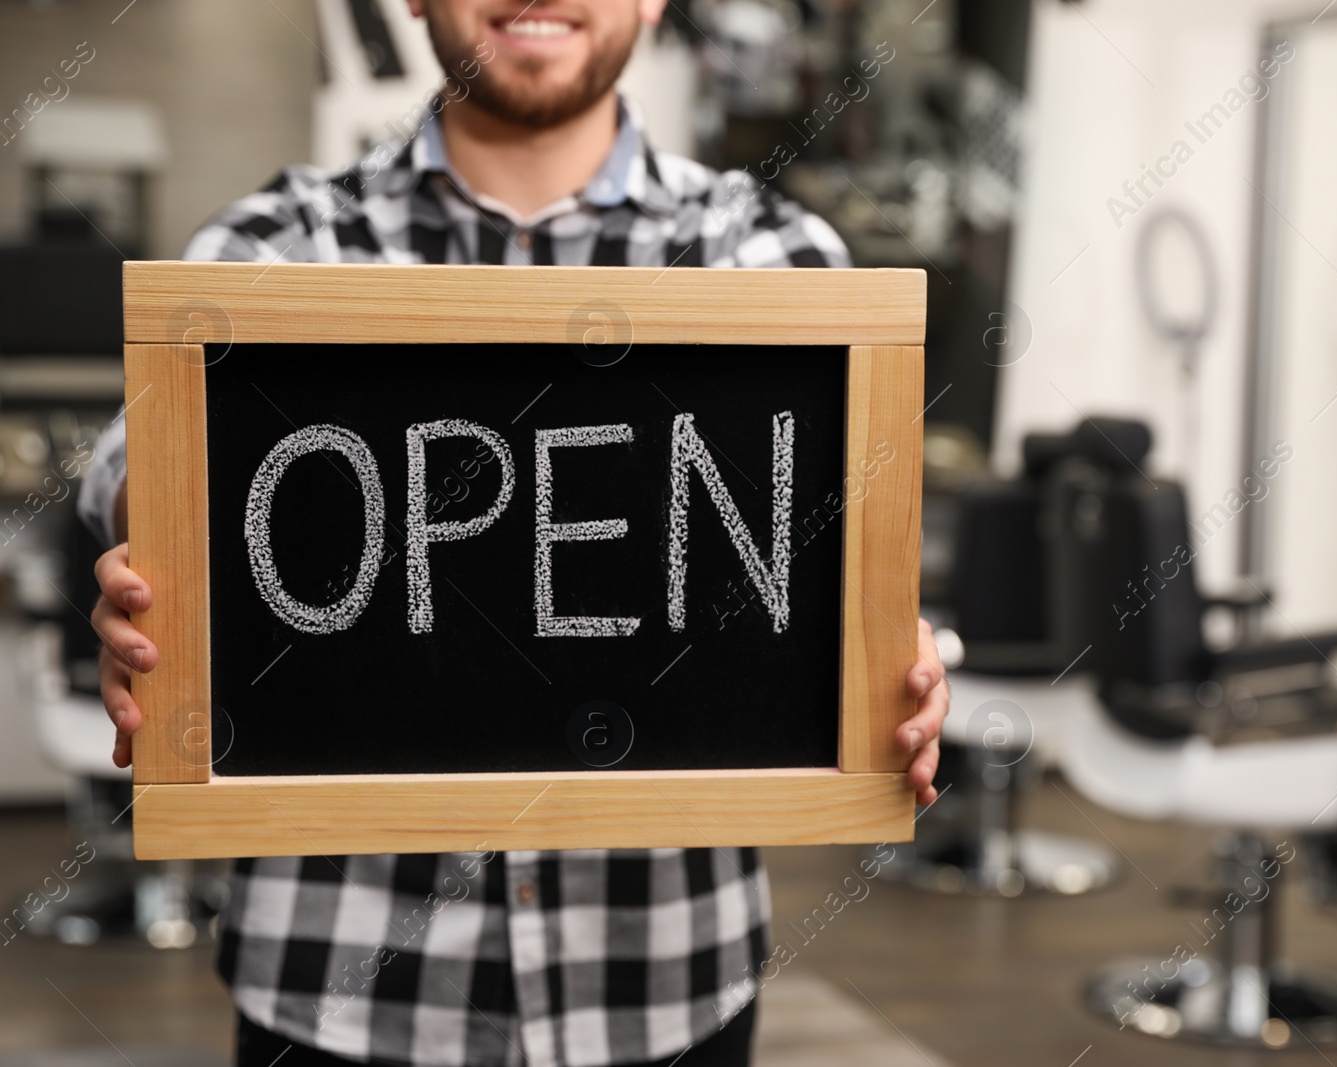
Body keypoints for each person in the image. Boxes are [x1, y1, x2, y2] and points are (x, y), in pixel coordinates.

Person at [78, 2, 949, 1066]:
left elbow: (845, 538)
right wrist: (156, 556)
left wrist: (888, 661)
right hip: (337, 980)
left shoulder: (761, 256)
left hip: (656, 984)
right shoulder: (281, 242)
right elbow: (137, 455)